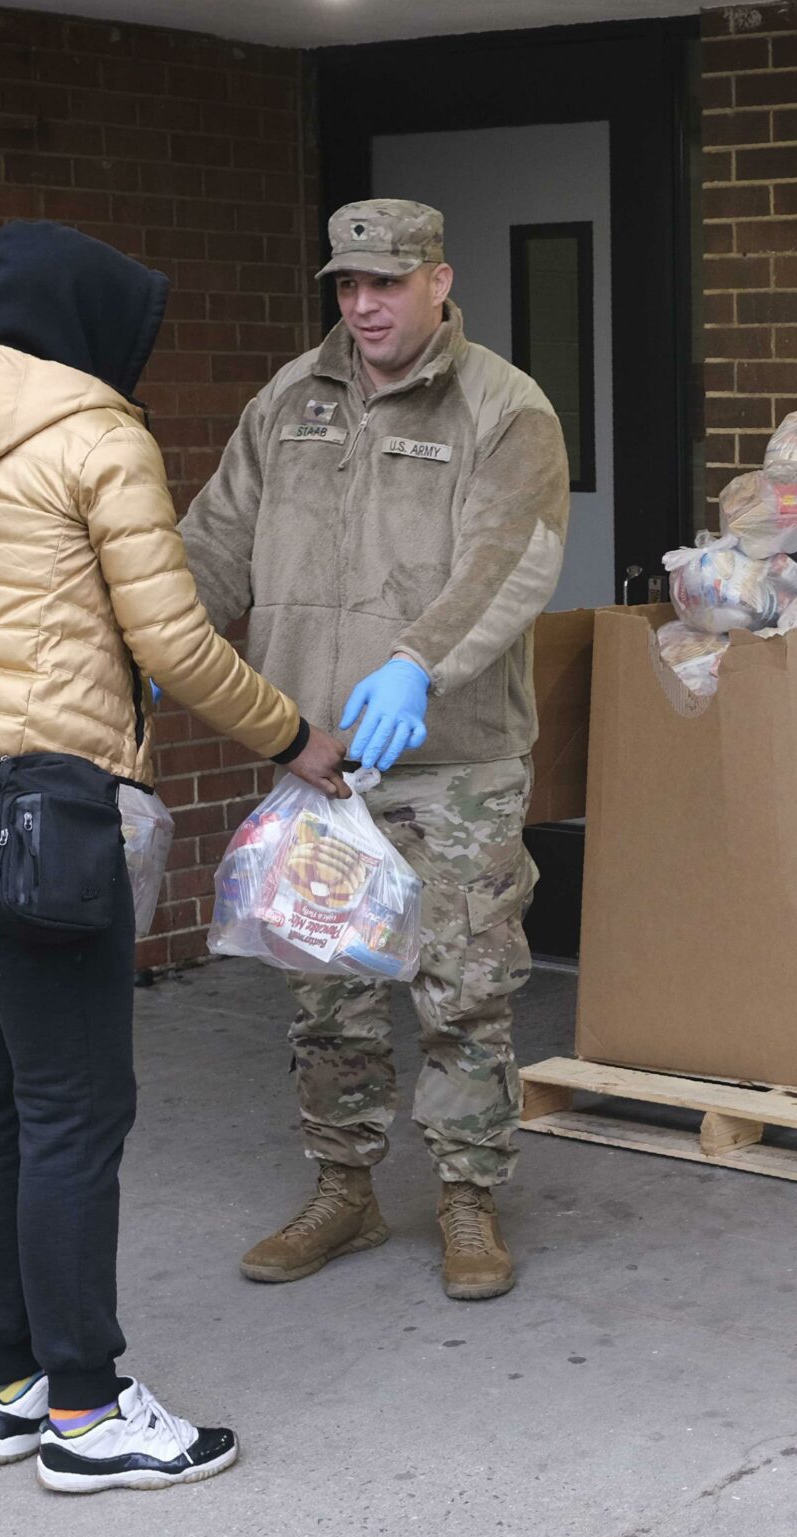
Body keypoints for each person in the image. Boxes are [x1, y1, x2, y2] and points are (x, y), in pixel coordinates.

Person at [0, 220, 349, 1493]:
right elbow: (176, 645)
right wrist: (295, 736)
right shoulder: (97, 435)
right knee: (73, 1106)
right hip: (35, 806)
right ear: (90, 326)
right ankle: (86, 1410)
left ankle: (8, 1386)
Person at [182, 199, 569, 1302]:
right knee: (328, 989)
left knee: (464, 989)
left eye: (386, 285)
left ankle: (467, 1198)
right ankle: (343, 1192)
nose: (363, 305)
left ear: (439, 283)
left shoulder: (504, 407)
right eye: (348, 286)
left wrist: (417, 661)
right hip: (318, 754)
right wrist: (157, 629)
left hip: (453, 760)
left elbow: (513, 558)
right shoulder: (288, 401)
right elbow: (216, 536)